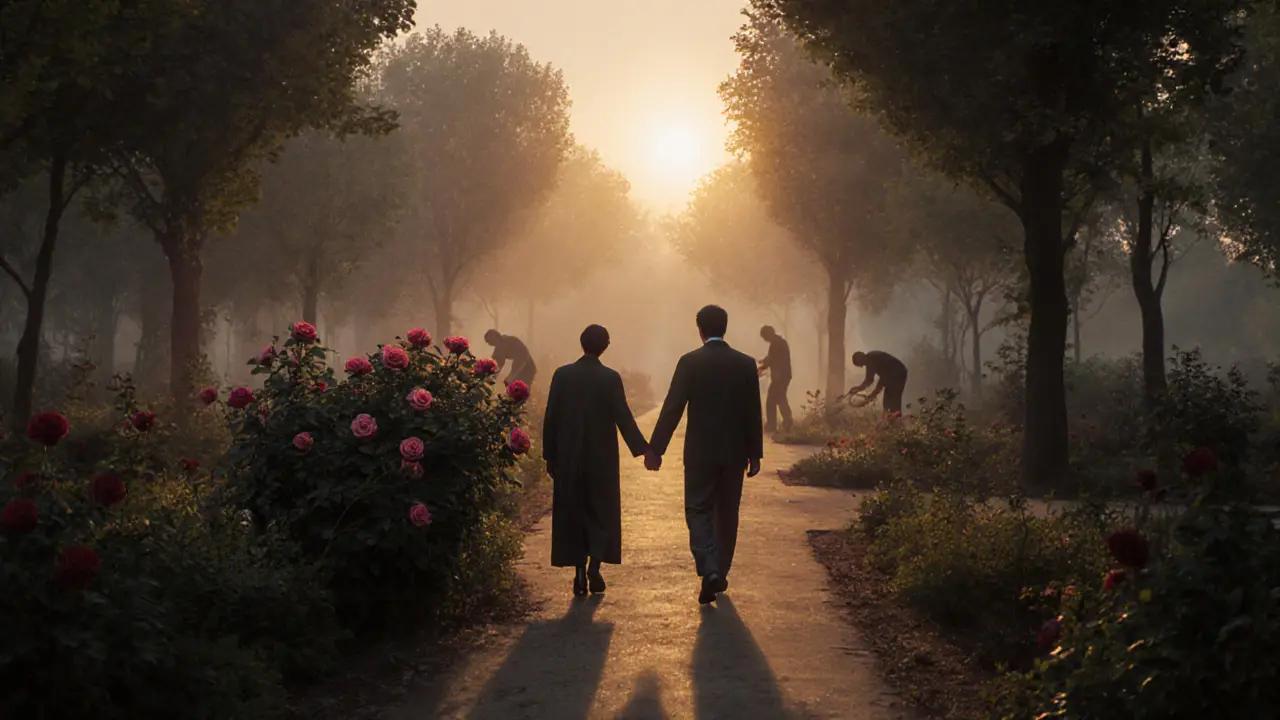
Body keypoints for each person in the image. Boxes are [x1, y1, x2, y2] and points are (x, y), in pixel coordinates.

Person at [648, 305, 764, 605]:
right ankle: (718, 574)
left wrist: (655, 449)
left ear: (699, 330)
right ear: (725, 327)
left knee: (698, 510)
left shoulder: (690, 363)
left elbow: (673, 407)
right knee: (727, 514)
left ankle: (709, 569)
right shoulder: (745, 364)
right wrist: (755, 454)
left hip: (699, 453)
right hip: (734, 454)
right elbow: (753, 411)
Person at [542, 325, 658, 597]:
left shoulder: (562, 375)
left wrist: (550, 455)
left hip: (569, 456)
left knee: (573, 512)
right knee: (601, 512)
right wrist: (645, 450)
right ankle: (595, 565)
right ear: (605, 346)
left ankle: (579, 571)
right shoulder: (610, 378)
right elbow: (623, 417)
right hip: (601, 458)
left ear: (581, 343)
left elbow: (551, 417)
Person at [847, 350, 908, 415]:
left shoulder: (872, 359)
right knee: (889, 402)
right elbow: (869, 380)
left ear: (861, 359)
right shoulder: (870, 358)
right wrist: (858, 388)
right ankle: (893, 420)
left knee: (891, 401)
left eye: (860, 364)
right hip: (897, 373)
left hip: (897, 374)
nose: (862, 366)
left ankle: (895, 420)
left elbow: (883, 378)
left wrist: (874, 394)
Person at [757, 325, 793, 433]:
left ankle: (773, 425)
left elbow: (771, 360)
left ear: (768, 334)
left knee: (772, 399)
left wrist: (761, 366)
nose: (764, 339)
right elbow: (770, 358)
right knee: (780, 397)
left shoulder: (776, 344)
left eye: (764, 337)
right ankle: (787, 421)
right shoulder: (779, 342)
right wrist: (762, 362)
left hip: (780, 376)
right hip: (784, 375)